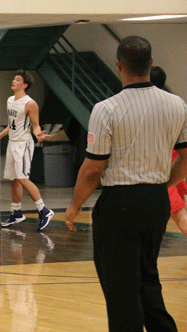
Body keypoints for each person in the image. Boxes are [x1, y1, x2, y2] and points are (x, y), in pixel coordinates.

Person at [65, 36, 187, 332]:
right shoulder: (177, 104)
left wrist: (75, 205)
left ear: (118, 65)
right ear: (151, 62)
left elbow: (93, 169)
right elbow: (185, 157)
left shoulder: (106, 109)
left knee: (121, 288)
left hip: (119, 204)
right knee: (148, 278)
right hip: (157, 201)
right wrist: (163, 184)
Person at [0, 70, 53, 231]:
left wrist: (38, 134)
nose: (14, 81)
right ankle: (16, 212)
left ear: (24, 85)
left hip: (24, 144)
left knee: (23, 178)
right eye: (14, 79)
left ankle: (44, 210)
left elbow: (35, 124)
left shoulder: (30, 103)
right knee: (14, 179)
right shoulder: (10, 100)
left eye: (17, 80)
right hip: (12, 143)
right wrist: (1, 135)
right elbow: (12, 124)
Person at [150, 65, 187, 237]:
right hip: (176, 164)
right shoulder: (176, 103)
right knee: (182, 212)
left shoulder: (149, 108)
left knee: (180, 217)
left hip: (163, 168)